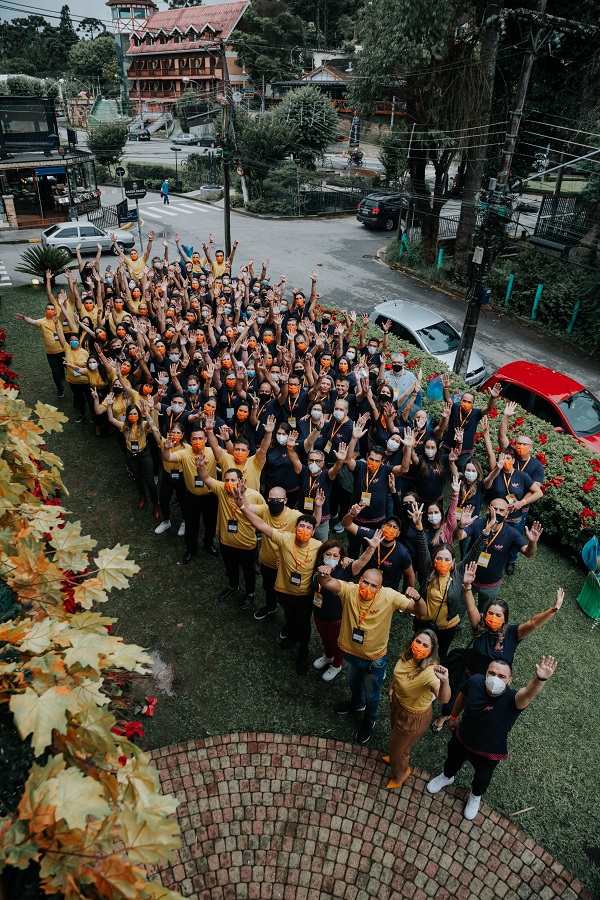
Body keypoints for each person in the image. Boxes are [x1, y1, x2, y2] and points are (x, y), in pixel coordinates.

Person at [432, 563, 564, 731]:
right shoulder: (480, 626)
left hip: (496, 683)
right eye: (490, 613)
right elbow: (471, 606)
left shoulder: (513, 634)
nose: (493, 617)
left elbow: (533, 623)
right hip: (470, 675)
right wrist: (467, 586)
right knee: (454, 701)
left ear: (505, 618)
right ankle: (446, 717)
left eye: (498, 615)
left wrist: (552, 610)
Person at [426, 655, 558, 820]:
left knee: (482, 777)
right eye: (492, 673)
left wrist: (540, 678)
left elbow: (529, 693)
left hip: (489, 751)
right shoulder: (475, 681)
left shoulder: (514, 700)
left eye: (501, 676)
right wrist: (453, 717)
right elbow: (462, 697)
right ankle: (447, 777)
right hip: (462, 738)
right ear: (486, 673)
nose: (495, 678)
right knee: (452, 759)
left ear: (509, 681)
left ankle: (475, 796)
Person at [316, 566, 427, 744]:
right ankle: (356, 704)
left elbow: (421, 611)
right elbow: (327, 582)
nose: (368, 587)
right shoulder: (349, 590)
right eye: (365, 582)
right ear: (359, 580)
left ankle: (369, 720)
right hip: (350, 653)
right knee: (352, 682)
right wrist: (323, 575)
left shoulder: (389, 596)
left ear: (380, 588)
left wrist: (419, 598)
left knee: (372, 695)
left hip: (373, 660)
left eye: (373, 585)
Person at [234, 485, 321, 676]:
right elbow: (260, 525)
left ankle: (303, 653)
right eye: (301, 526)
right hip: (285, 589)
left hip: (305, 594)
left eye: (308, 528)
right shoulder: (285, 538)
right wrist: (241, 506)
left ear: (313, 532)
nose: (304, 530)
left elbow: (335, 556)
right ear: (295, 527)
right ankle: (290, 633)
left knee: (304, 623)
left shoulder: (318, 547)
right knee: (289, 614)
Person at [409, 501, 490, 660]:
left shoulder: (459, 572)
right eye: (439, 558)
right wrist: (418, 526)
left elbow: (474, 553)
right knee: (418, 652)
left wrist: (485, 533)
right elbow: (422, 547)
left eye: (447, 559)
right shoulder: (428, 568)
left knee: (440, 655)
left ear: (453, 561)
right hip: (423, 622)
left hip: (447, 627)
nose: (442, 562)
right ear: (433, 560)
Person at [312, 534, 386, 683]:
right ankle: (328, 656)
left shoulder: (345, 569)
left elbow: (361, 562)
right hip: (319, 614)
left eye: (335, 555)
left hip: (337, 618)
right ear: (323, 555)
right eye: (328, 554)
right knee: (325, 638)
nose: (331, 557)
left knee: (337, 643)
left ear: (341, 558)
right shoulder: (317, 567)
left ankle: (336, 665)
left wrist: (371, 548)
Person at [194, 458, 264, 609]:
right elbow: (205, 477)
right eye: (226, 480)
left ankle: (250, 593)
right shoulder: (221, 490)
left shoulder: (254, 495)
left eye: (233, 480)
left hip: (247, 544)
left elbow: (264, 515)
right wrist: (199, 466)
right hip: (226, 541)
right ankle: (233, 587)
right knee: (230, 567)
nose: (228, 483)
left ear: (241, 481)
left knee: (248, 571)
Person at [383, 631, 450, 789]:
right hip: (398, 705)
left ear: (432, 650)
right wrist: (393, 687)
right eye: (417, 641)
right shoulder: (408, 656)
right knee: (398, 746)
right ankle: (396, 758)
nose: (419, 646)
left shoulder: (430, 673)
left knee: (397, 750)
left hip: (412, 717)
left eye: (425, 645)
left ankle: (400, 774)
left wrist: (445, 682)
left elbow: (443, 699)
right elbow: (400, 674)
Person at [455, 499, 543, 607]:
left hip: (491, 585)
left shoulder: (512, 533)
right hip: (468, 578)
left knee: (484, 615)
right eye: (495, 509)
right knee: (459, 607)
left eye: (501, 510)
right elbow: (457, 537)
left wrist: (532, 543)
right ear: (488, 510)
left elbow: (529, 554)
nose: (497, 512)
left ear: (506, 514)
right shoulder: (477, 524)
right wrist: (461, 525)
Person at [496, 401, 545, 575]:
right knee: (497, 529)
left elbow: (536, 490)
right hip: (502, 504)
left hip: (520, 509)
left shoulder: (536, 466)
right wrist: (506, 416)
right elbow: (502, 435)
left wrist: (519, 503)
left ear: (531, 448)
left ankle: (511, 560)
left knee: (515, 535)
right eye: (518, 443)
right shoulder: (511, 455)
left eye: (524, 444)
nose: (520, 446)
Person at [161, 428, 218, 563]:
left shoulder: (213, 452)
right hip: (191, 497)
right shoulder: (184, 453)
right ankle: (191, 548)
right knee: (191, 524)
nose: (197, 441)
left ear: (205, 440)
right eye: (194, 439)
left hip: (210, 496)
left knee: (210, 522)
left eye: (200, 438)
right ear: (190, 440)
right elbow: (167, 458)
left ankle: (208, 543)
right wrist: (166, 449)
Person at [14, 303, 65, 398]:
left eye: (52, 309)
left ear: (55, 311)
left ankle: (64, 375)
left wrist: (62, 303)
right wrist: (24, 318)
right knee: (55, 371)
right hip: (51, 353)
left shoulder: (59, 318)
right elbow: (32, 321)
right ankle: (60, 388)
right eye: (48, 309)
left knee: (64, 368)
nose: (50, 311)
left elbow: (64, 311)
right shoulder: (42, 322)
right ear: (45, 310)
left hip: (63, 350)